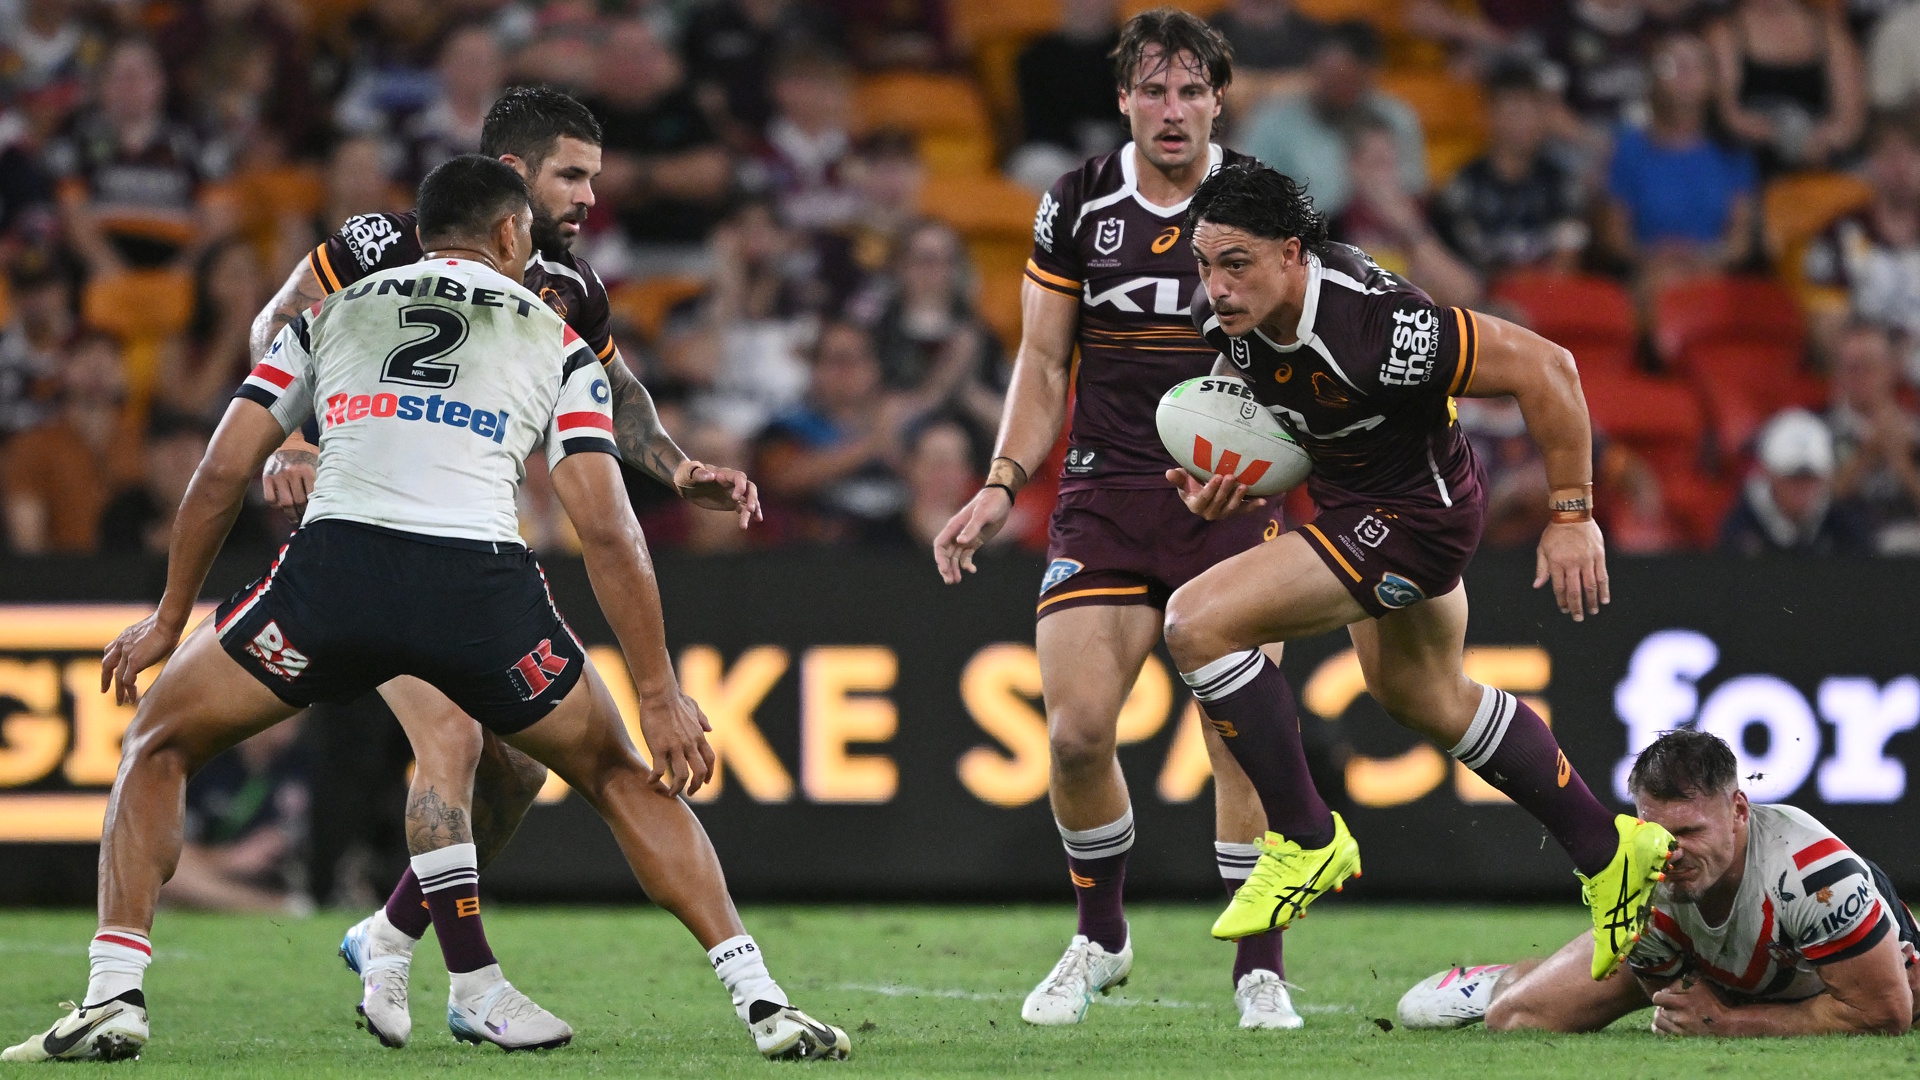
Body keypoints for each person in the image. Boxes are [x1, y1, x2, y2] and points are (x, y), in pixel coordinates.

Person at [1, 155, 848, 1064]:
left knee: (158, 747)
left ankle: (114, 997)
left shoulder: (331, 310)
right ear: (511, 234)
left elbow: (218, 474)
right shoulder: (556, 338)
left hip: (335, 577)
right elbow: (607, 530)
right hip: (479, 591)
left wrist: (169, 619)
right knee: (615, 772)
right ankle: (761, 1001)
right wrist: (656, 693)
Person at [244, 87, 771, 1052]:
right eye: (572, 176)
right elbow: (277, 327)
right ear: (515, 182)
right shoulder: (378, 243)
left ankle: (391, 930)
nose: (589, 199)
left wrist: (680, 466)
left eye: (595, 179)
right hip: (366, 535)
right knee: (448, 741)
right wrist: (301, 435)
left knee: (519, 770)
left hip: (480, 546)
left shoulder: (569, 285)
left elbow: (619, 393)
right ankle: (475, 980)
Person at [1159, 161, 1675, 994]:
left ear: (1293, 254)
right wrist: (1229, 479)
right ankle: (1611, 853)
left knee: (1197, 623)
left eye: (1236, 264)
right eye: (1203, 264)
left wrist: (1573, 516)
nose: (1214, 286)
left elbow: (1549, 369)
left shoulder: (1381, 323)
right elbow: (1288, 420)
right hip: (1358, 506)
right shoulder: (1225, 318)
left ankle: (1306, 836)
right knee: (1426, 696)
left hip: (1418, 520)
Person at [934, 10, 1301, 1031]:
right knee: (1077, 732)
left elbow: (1305, 356)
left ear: (1219, 96)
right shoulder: (1078, 204)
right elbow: (1044, 361)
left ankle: (1257, 967)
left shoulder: (1268, 204)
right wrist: (1003, 481)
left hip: (1230, 500)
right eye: (1153, 90)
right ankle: (1101, 939)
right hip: (1105, 496)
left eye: (1191, 90)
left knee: (1240, 742)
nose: (1172, 110)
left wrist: (1270, 462)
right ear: (1124, 99)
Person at [1398, 730, 1920, 1036]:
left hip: (1822, 967)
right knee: (1513, 1019)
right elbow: (1667, 995)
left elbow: (1884, 1013)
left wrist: (1729, 1020)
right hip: (1699, 948)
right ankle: (1506, 977)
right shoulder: (1641, 866)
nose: (1672, 851)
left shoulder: (1816, 878)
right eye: (1658, 831)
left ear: (1739, 810)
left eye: (1690, 831)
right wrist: (1684, 999)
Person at [1601, 32, 1758, 292]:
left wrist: (1702, 259)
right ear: (1653, 77)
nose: (1685, 71)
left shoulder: (1732, 152)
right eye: (1673, 63)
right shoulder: (1629, 148)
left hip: (1713, 272)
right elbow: (1614, 235)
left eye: (1697, 64)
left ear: (1713, 81)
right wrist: (1653, 256)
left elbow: (1740, 239)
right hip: (1650, 272)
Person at [1240, 21, 1426, 219]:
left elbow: (1413, 192)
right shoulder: (1273, 122)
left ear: (1368, 74)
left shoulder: (1396, 118)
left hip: (1384, 233)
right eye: (1324, 77)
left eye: (1344, 81)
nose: (1331, 89)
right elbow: (1248, 194)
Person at [1431, 62, 1590, 278]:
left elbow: (1567, 257)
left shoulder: (1561, 182)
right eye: (1513, 113)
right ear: (1490, 116)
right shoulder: (1462, 187)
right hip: (1483, 302)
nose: (1524, 124)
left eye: (1532, 113)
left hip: (1545, 294)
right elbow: (1465, 264)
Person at [1801, 108, 1920, 374]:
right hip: (1867, 378)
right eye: (1890, 156)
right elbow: (1825, 334)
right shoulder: (1838, 236)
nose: (1902, 168)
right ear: (1871, 164)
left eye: (1913, 154)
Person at [1707, 0, 1865, 170]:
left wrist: (1819, 142)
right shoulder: (1725, 31)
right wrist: (1784, 137)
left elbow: (1850, 118)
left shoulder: (1829, 31)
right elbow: (1728, 113)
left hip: (1821, 166)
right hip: (1749, 166)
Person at [1719, 407, 1873, 554]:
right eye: (1792, 479)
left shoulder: (1844, 527)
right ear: (1770, 475)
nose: (1802, 489)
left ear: (1826, 478)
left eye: (1810, 478)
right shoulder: (1740, 531)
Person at [1827, 321, 1920, 553]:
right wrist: (1868, 455)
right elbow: (1813, 507)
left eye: (1867, 367)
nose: (1858, 377)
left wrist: (1901, 461)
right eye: (1850, 368)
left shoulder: (1914, 431)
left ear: (1890, 369)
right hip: (1848, 548)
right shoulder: (1823, 430)